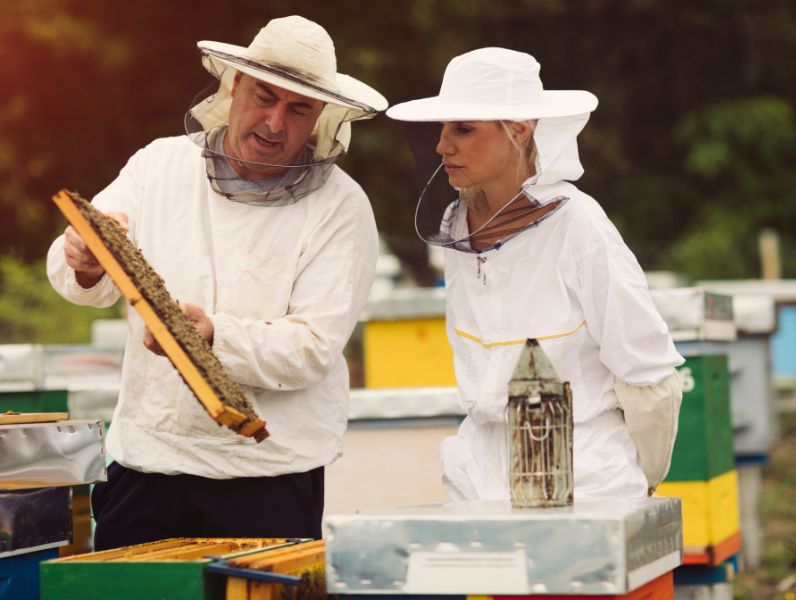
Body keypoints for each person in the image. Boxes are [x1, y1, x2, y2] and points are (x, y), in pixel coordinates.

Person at [47, 15, 387, 549]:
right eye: (264, 96)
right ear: (233, 88)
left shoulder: (342, 209)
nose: (275, 122)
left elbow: (314, 347)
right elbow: (81, 256)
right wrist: (83, 260)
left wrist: (213, 336)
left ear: (321, 117)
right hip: (148, 466)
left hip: (268, 478)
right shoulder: (158, 166)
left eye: (298, 108)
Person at [386, 47, 683, 500]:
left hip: (584, 479)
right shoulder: (457, 226)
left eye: (464, 129)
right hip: (479, 476)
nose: (443, 145)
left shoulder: (580, 225)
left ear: (519, 129)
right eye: (442, 129)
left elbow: (648, 374)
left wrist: (643, 480)